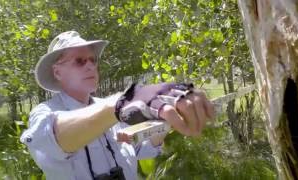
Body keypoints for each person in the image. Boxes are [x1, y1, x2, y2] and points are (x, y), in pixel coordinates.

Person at [20, 31, 214, 180]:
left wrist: (161, 120)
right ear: (57, 72)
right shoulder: (45, 113)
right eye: (79, 61)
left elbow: (141, 150)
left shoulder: (112, 111)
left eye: (92, 60)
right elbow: (53, 139)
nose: (90, 66)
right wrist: (123, 101)